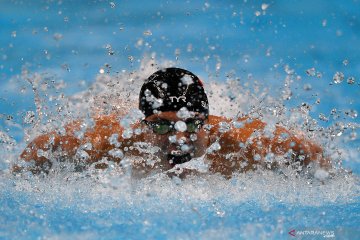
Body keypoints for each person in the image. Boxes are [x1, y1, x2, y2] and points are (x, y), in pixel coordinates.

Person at [17, 67, 330, 178]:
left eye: (192, 124)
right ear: (144, 124)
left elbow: (313, 155)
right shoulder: (109, 143)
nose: (179, 137)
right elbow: (37, 151)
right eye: (163, 125)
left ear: (207, 120)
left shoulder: (242, 143)